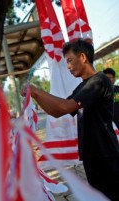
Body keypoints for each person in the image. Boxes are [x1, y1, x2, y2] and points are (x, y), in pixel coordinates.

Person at [21, 39, 119, 200]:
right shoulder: (82, 86)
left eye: (70, 61)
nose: (68, 67)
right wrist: (35, 95)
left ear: (83, 57)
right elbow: (56, 111)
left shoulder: (99, 81)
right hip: (90, 154)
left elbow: (65, 107)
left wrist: (37, 91)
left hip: (105, 153)